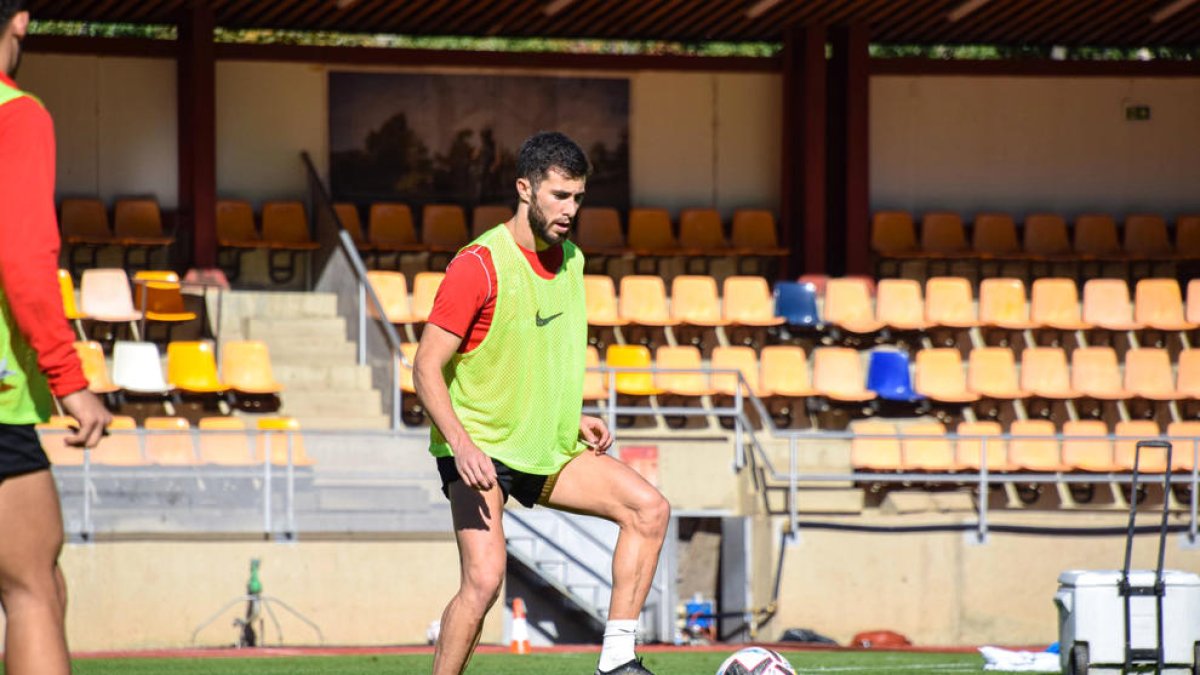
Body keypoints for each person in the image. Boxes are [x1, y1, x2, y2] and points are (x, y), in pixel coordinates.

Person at [415, 131, 669, 675]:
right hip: (480, 450)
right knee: (484, 581)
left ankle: (617, 661)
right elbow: (425, 367)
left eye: (578, 197)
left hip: (543, 446)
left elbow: (531, 356)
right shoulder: (478, 265)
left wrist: (569, 417)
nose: (570, 209)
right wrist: (461, 445)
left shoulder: (572, 260)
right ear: (525, 189)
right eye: (559, 195)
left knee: (649, 510)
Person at [0, 2, 112, 673]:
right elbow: (22, 259)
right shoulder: (15, 114)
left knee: (46, 584)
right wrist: (70, 381)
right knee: (32, 589)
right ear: (19, 21)